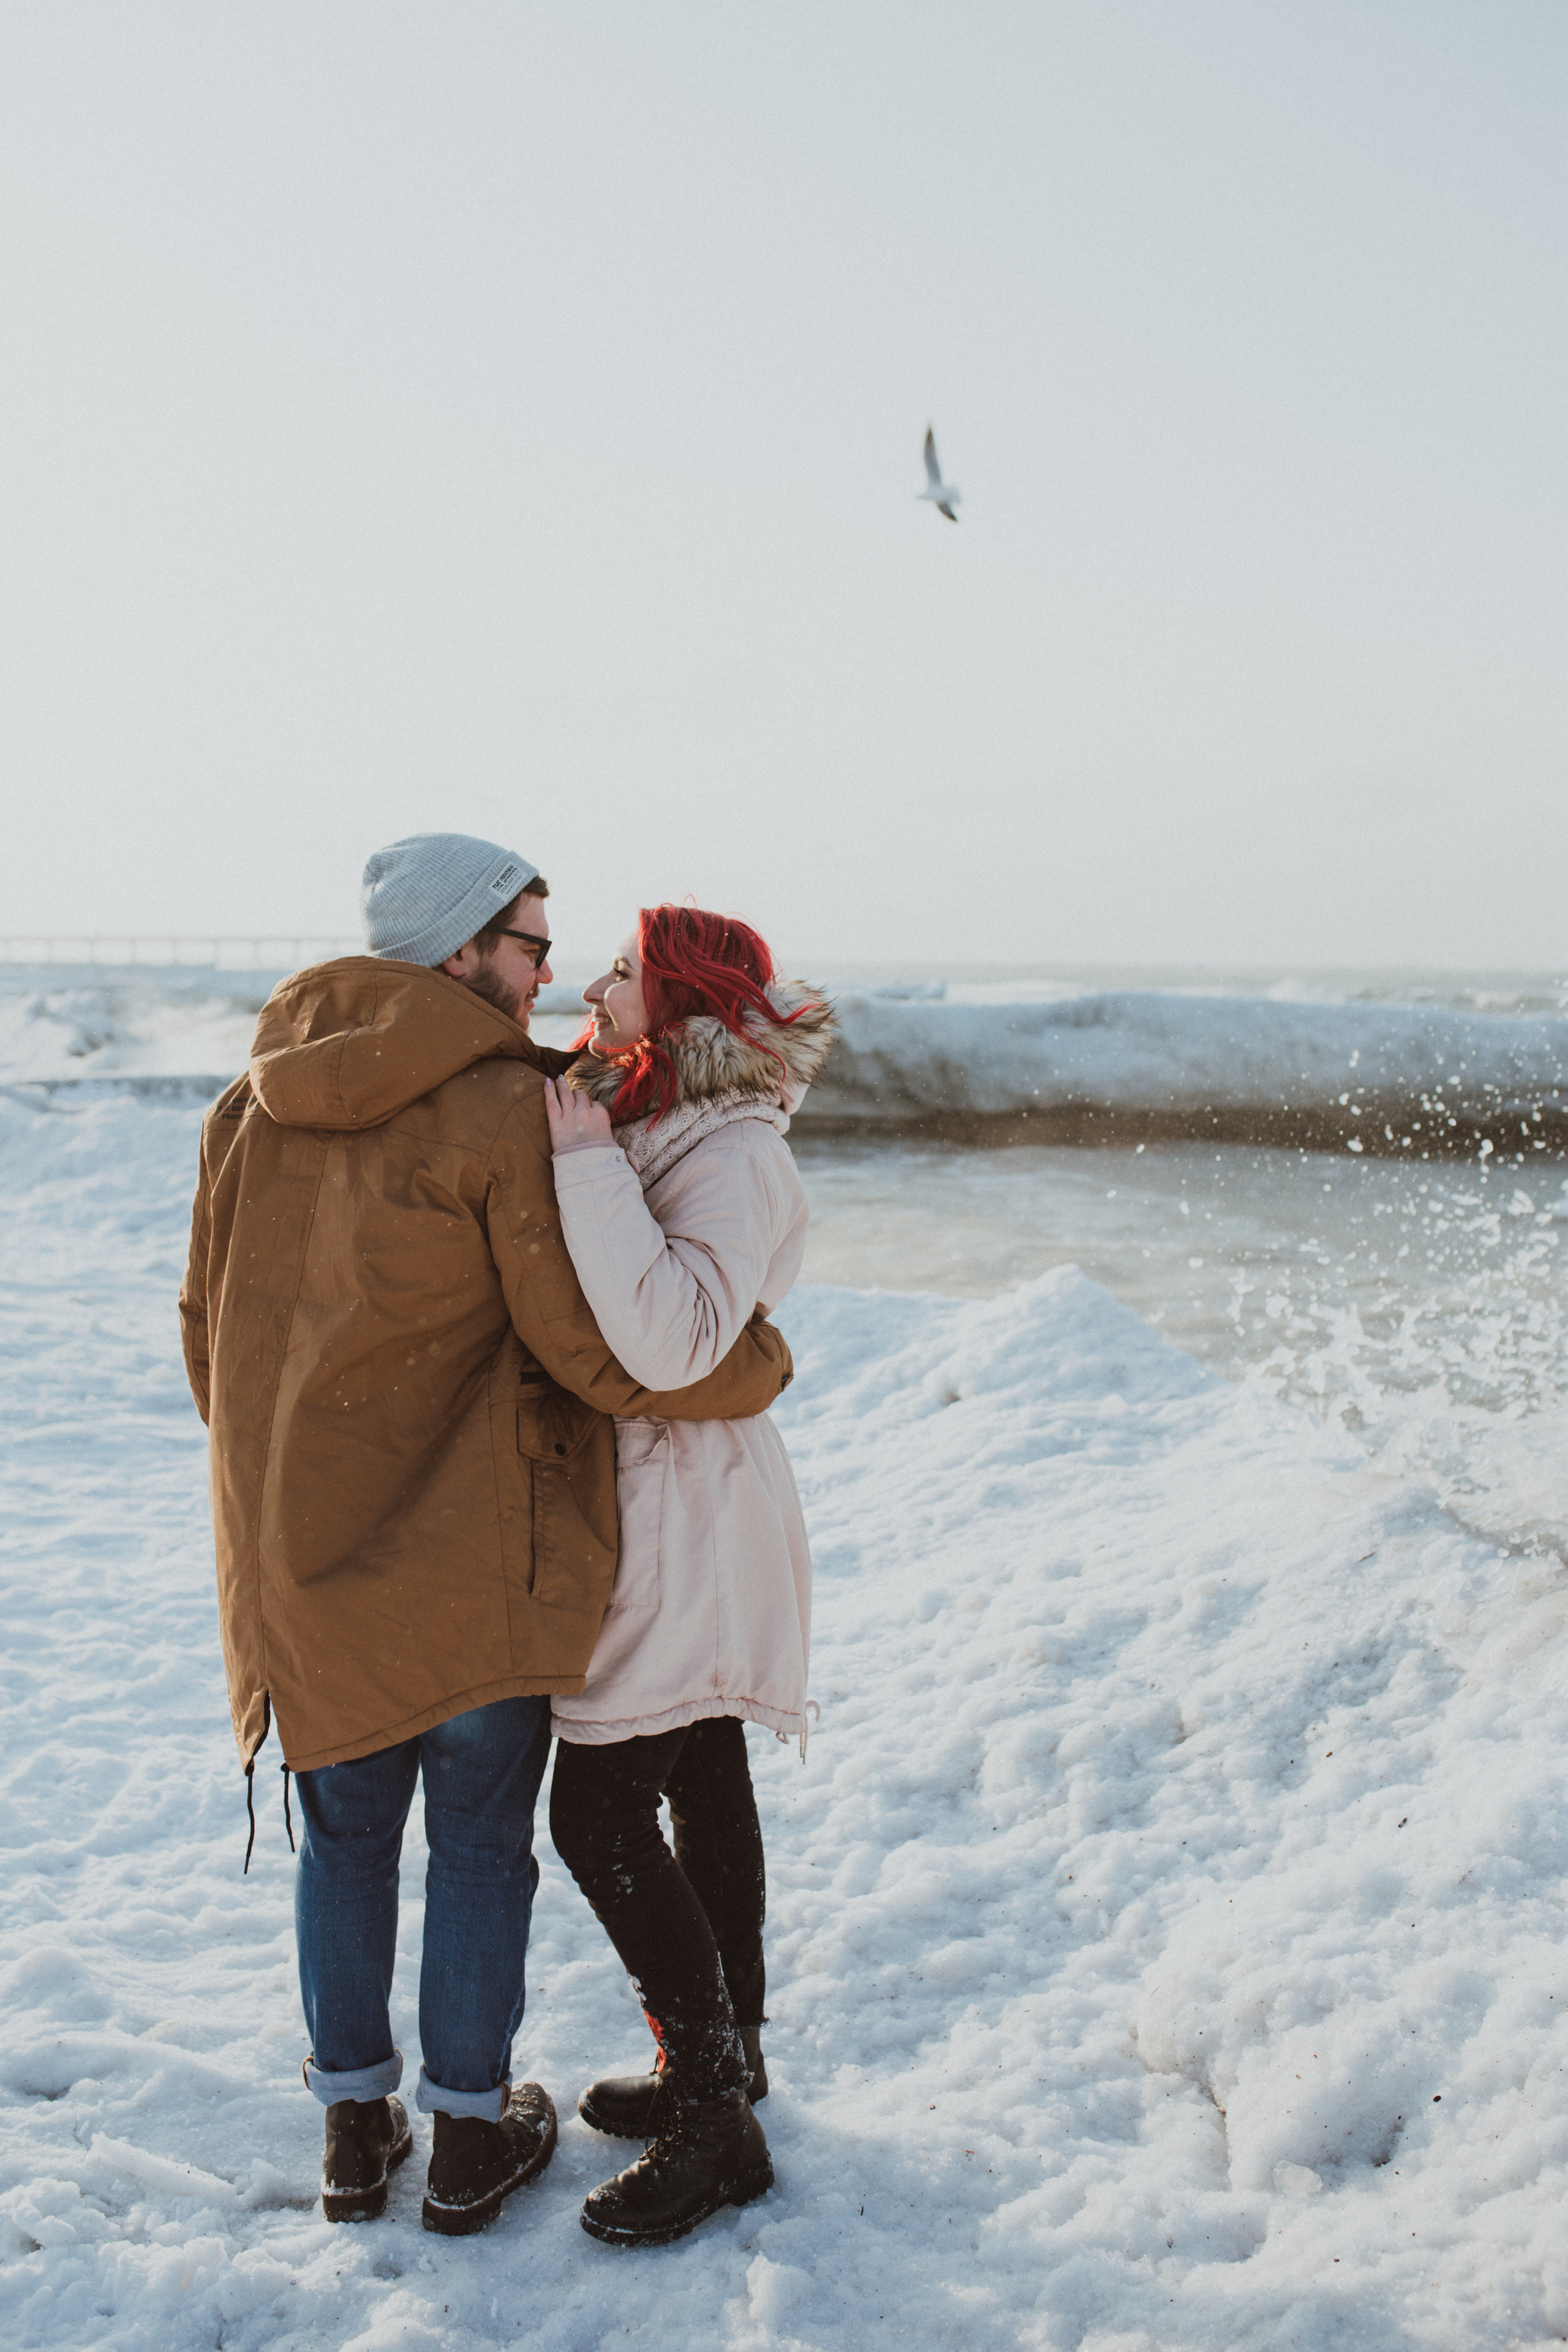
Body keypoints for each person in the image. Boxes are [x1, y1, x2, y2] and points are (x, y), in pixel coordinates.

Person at [178, 835, 792, 2237]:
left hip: (304, 1557)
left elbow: (209, 1337)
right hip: (476, 1561)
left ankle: (352, 2131)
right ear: (459, 949)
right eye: (525, 943)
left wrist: (294, 1479)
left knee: (340, 1845)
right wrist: (752, 1369)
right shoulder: (500, 1108)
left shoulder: (246, 1106)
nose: (544, 972)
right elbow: (589, 1349)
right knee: (473, 1842)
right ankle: (463, 2141)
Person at [541, 903, 834, 2247]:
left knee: (595, 1812)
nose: (590, 981)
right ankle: (727, 2063)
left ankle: (719, 2123)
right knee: (704, 1766)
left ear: (681, 1000)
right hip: (675, 1493)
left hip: (691, 1506)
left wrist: (587, 1157)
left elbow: (668, 1339)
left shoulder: (733, 1151)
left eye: (621, 967)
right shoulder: (676, 1121)